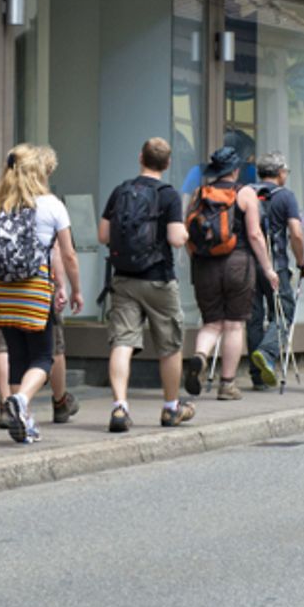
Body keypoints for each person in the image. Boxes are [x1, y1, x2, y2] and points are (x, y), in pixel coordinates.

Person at [0, 144, 82, 444]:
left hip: (2, 290)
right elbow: (68, 254)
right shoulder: (52, 206)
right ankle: (22, 401)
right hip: (35, 291)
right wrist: (75, 290)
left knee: (16, 356)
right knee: (43, 356)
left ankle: (20, 418)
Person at [98, 137, 192, 432]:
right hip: (159, 279)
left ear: (140, 157)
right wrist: (185, 234)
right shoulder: (168, 195)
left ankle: (119, 408)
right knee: (169, 344)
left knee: (122, 342)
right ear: (168, 164)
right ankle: (171, 408)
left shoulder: (121, 190)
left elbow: (103, 235)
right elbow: (176, 238)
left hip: (124, 277)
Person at [182, 145, 280, 400]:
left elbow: (186, 233)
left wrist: (196, 259)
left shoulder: (199, 193)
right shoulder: (244, 194)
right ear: (235, 171)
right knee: (234, 325)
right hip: (238, 263)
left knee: (212, 323)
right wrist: (268, 269)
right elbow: (255, 235)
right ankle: (227, 384)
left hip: (205, 265)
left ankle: (200, 356)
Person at [246, 151, 304, 389]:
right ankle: (267, 352)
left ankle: (257, 376)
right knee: (283, 312)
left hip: (248, 265)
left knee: (253, 318)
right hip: (276, 265)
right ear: (280, 172)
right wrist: (302, 262)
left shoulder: (247, 193)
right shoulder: (286, 197)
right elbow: (296, 233)